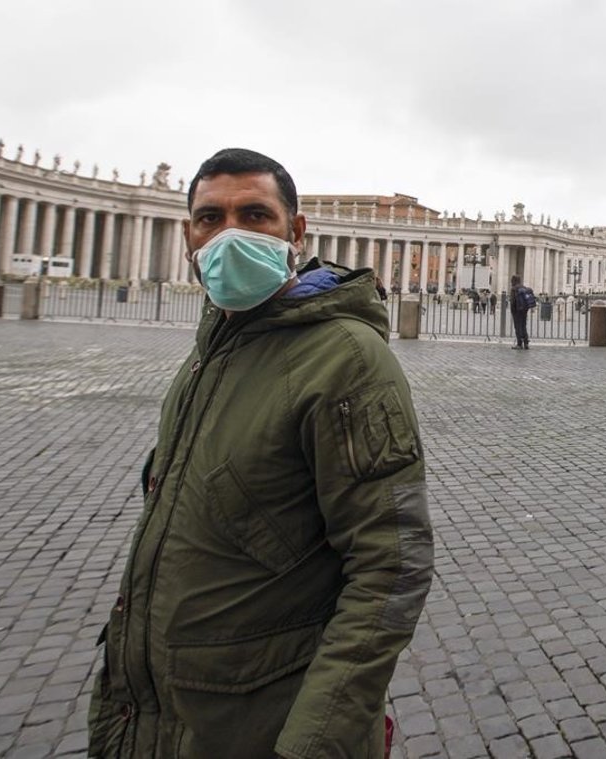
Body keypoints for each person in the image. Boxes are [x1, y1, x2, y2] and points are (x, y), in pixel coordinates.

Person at [86, 148, 434, 758]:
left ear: (295, 231)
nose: (229, 235)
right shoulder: (212, 347)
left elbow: (391, 565)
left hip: (263, 721)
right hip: (162, 712)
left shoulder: (348, 360)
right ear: (188, 234)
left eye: (254, 215)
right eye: (210, 219)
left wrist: (313, 743)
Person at [510, 274, 531, 349]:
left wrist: (512, 310)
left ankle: (519, 344)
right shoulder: (524, 288)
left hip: (517, 311)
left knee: (517, 326)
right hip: (524, 310)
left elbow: (513, 301)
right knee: (523, 326)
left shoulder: (514, 289)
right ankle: (526, 343)